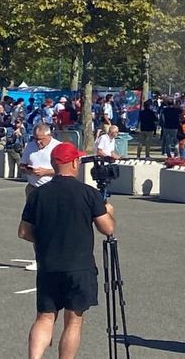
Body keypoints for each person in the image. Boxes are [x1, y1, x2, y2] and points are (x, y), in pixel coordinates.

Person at [18, 142, 115, 359]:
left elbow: (24, 232)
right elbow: (107, 228)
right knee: (74, 320)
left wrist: (45, 240)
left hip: (48, 263)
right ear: (74, 162)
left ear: (53, 163)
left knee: (44, 317)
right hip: (79, 266)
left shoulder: (38, 194)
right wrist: (108, 210)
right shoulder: (88, 193)